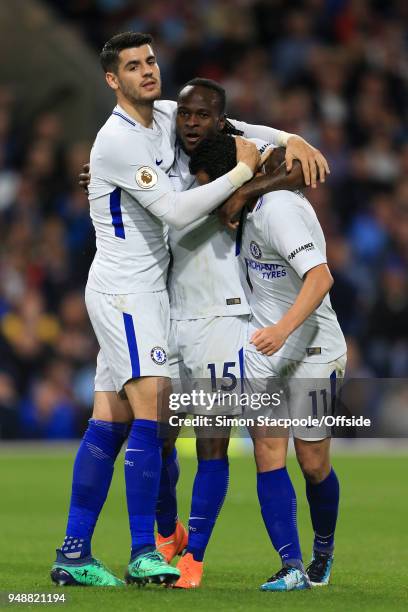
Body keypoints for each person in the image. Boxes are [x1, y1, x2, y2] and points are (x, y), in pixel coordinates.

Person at [63, 30, 329, 588]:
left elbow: (236, 126)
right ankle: (145, 549)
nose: (147, 71)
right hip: (129, 291)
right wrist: (240, 177)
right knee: (151, 417)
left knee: (110, 421)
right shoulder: (117, 141)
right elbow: (178, 212)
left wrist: (291, 137)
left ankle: (75, 553)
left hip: (153, 295)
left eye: (151, 61)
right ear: (113, 80)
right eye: (133, 66)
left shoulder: (164, 115)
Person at [189, 133, 347, 592]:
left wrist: (282, 330)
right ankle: (291, 566)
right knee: (266, 451)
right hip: (267, 352)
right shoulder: (251, 207)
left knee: (313, 462)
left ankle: (323, 548)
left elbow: (321, 277)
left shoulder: (278, 210)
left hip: (313, 346)